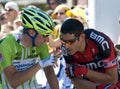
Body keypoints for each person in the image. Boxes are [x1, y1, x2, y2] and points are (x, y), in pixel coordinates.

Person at [0, 7, 59, 89]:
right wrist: (40, 64)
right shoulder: (5, 44)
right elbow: (14, 82)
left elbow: (50, 73)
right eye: (45, 35)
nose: (47, 39)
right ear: (32, 32)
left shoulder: (40, 44)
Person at [59, 18, 120, 89]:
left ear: (82, 37)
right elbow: (76, 82)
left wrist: (84, 71)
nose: (66, 46)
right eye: (63, 41)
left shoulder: (101, 42)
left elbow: (113, 80)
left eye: (70, 42)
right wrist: (98, 87)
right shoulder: (65, 49)